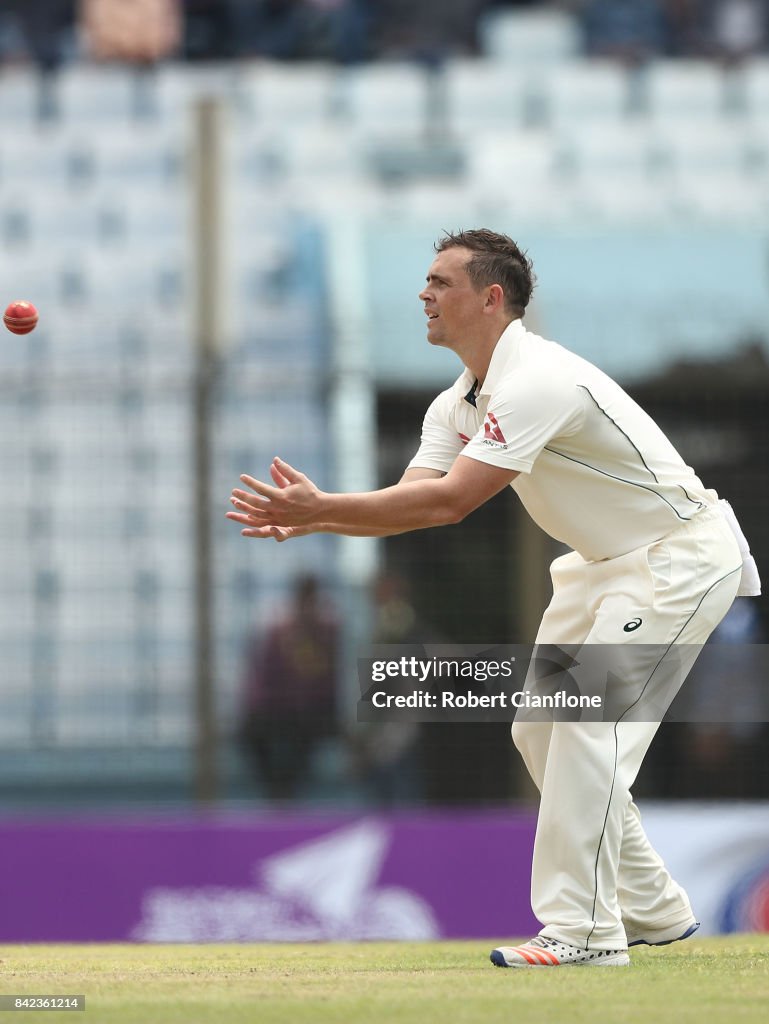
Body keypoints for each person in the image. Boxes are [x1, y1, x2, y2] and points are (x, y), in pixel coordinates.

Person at [226, 228, 759, 967]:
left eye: (440, 282)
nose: (424, 294)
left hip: (673, 560)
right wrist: (318, 512)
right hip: (601, 566)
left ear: (491, 297)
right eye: (424, 280)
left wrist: (320, 512)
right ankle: (655, 910)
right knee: (539, 731)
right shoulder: (456, 403)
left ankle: (584, 933)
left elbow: (451, 504)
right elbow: (415, 499)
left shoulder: (537, 378)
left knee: (582, 728)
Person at [238, 572, 338, 801]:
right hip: (278, 708)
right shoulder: (279, 632)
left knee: (305, 736)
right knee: (250, 732)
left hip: (312, 710)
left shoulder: (327, 632)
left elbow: (324, 677)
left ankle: (288, 791)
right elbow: (264, 676)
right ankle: (277, 791)